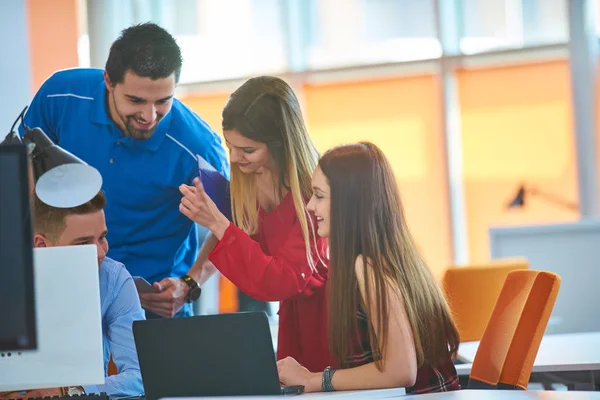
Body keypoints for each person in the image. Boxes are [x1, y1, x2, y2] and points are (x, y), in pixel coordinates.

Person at [19, 22, 229, 318]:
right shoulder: (60, 95)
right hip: (65, 289)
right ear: (108, 80)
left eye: (163, 101)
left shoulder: (200, 149)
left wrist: (190, 283)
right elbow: (24, 165)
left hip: (153, 306)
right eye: (136, 100)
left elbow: (233, 228)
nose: (149, 116)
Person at [276, 142, 461, 394]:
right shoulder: (396, 256)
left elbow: (401, 370)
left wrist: (313, 380)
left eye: (319, 196)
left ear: (349, 204)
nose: (310, 206)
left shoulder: (368, 268)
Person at [179, 76, 332, 372]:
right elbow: (238, 235)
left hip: (333, 321)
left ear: (280, 145)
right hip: (294, 326)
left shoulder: (314, 193)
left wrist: (217, 223)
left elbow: (282, 280)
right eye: (230, 146)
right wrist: (189, 282)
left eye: (247, 150)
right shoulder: (251, 178)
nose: (234, 158)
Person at [1, 191, 145, 399]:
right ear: (42, 245)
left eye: (102, 237)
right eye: (83, 243)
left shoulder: (113, 279)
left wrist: (67, 392)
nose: (100, 253)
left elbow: (140, 376)